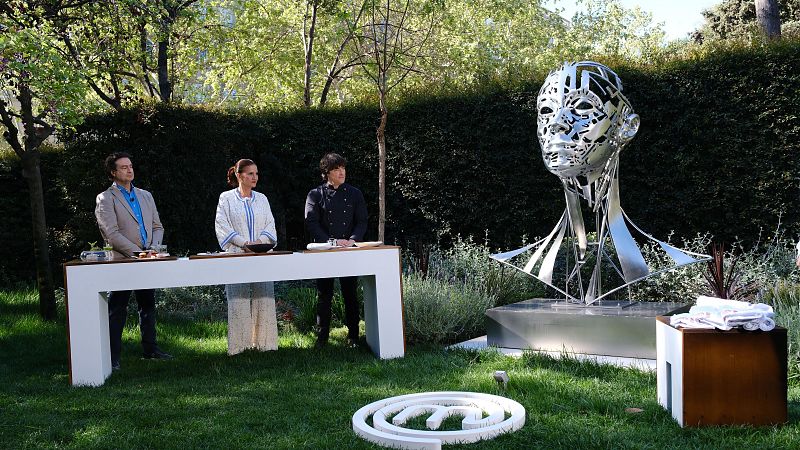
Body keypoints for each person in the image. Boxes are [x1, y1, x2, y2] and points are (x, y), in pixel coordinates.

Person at [95, 152, 172, 370]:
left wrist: (154, 249)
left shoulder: (145, 195)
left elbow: (158, 227)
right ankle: (112, 358)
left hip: (148, 259)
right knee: (117, 308)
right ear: (113, 172)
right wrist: (138, 253)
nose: (129, 170)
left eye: (130, 166)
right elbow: (111, 233)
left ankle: (151, 350)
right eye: (123, 167)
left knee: (147, 304)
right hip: (122, 261)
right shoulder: (105, 198)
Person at [215, 159, 279, 355]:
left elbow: (270, 225)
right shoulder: (226, 198)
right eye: (250, 174)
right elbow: (222, 225)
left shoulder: (262, 198)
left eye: (256, 174)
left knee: (265, 295)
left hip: (262, 255)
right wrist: (244, 243)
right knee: (238, 297)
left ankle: (266, 344)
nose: (255, 177)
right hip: (236, 254)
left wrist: (258, 243)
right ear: (239, 175)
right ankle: (239, 346)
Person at [304, 153, 368, 347]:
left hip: (348, 251)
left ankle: (354, 336)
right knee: (324, 294)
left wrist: (352, 240)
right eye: (336, 169)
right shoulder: (315, 194)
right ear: (326, 173)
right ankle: (322, 337)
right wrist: (331, 242)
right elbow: (312, 223)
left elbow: (362, 221)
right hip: (326, 251)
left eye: (343, 168)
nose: (342, 172)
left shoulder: (355, 193)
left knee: (350, 293)